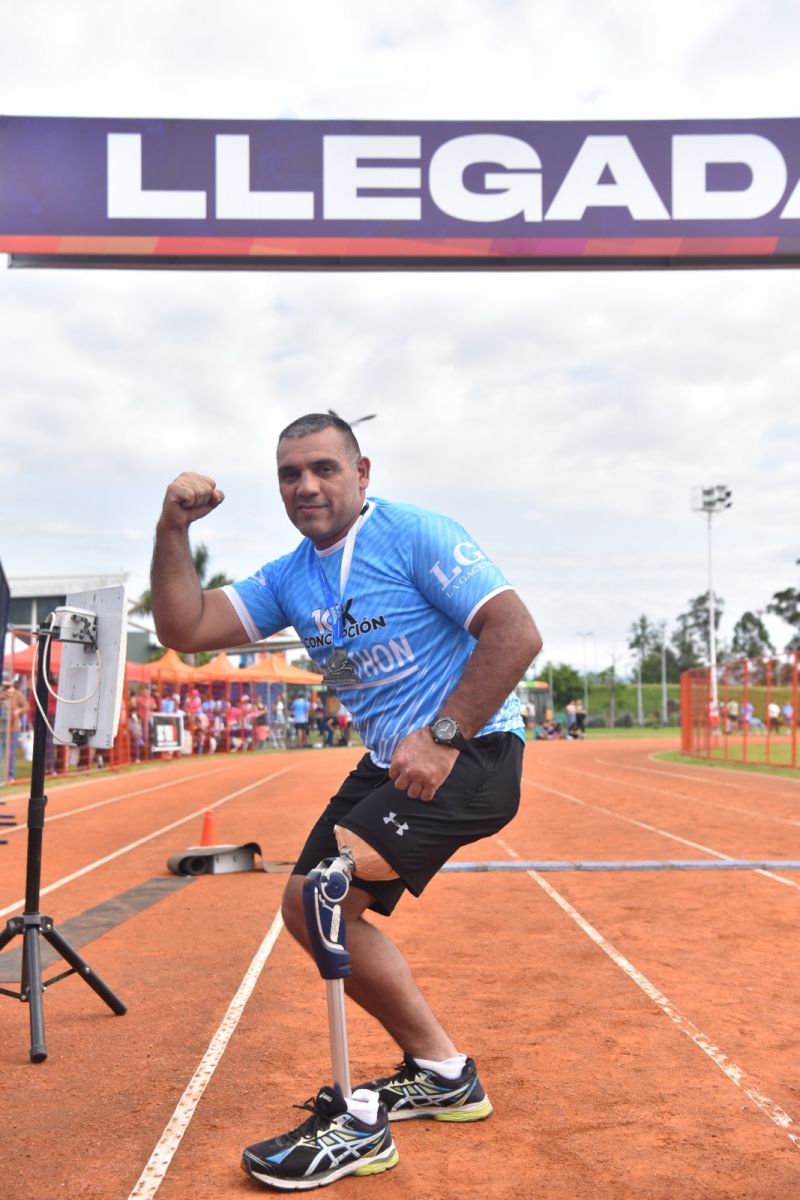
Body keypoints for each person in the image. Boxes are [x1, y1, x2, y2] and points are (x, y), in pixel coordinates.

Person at [149, 412, 542, 1191]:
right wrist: (170, 528)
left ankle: (356, 1131)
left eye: (324, 469)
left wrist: (443, 734)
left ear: (362, 474)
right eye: (291, 474)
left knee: (326, 890)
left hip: (472, 748)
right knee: (304, 904)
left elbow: (516, 632)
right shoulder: (293, 575)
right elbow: (185, 625)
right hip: (390, 759)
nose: (307, 486)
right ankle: (441, 1072)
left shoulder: (413, 534)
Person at [1, 677, 29, 783]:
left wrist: (18, 710)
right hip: (2, 728)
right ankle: (3, 775)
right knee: (2, 752)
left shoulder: (17, 694)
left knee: (10, 753)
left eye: (8, 685)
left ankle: (10, 776)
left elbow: (26, 706)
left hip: (13, 728)